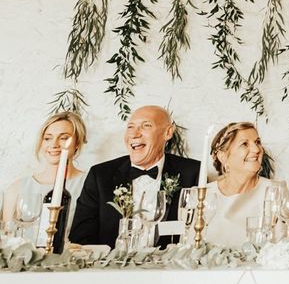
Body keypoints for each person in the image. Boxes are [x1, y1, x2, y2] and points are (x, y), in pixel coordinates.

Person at [69, 105, 199, 247]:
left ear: (168, 133)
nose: (134, 134)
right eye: (130, 127)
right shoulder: (100, 175)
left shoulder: (192, 173)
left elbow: (198, 233)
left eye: (146, 126)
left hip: (168, 267)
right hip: (111, 267)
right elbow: (80, 238)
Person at [2, 111, 88, 242]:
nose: (54, 144)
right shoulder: (17, 188)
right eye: (47, 138)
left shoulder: (90, 185)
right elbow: (7, 239)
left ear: (78, 143)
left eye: (64, 138)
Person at [204, 121, 276, 248]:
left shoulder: (274, 191)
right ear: (223, 157)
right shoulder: (203, 195)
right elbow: (189, 248)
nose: (256, 149)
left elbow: (282, 247)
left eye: (257, 142)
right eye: (244, 144)